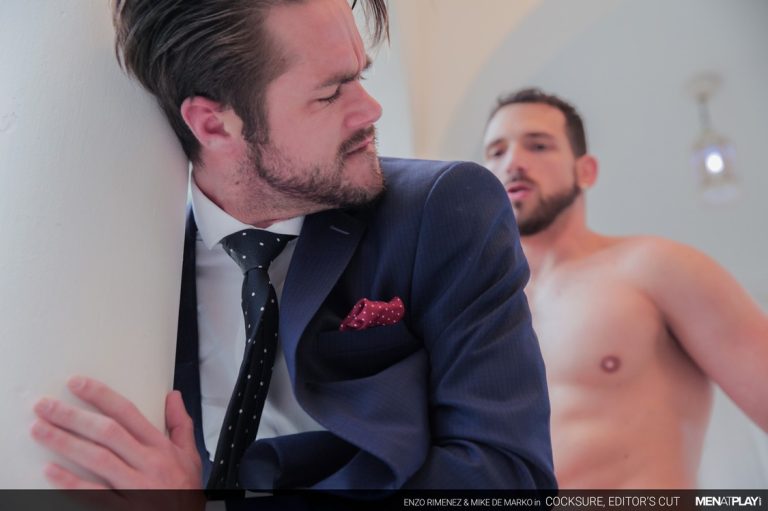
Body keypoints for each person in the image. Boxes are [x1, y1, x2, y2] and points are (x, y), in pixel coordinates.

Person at [29, 1, 555, 491]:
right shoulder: (138, 265)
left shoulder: (444, 209)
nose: (370, 110)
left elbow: (510, 480)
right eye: (330, 94)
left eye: (360, 76)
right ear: (213, 124)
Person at [482, 87, 768, 488]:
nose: (513, 162)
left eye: (538, 145)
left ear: (586, 171)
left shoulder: (656, 268)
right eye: (496, 151)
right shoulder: (479, 309)